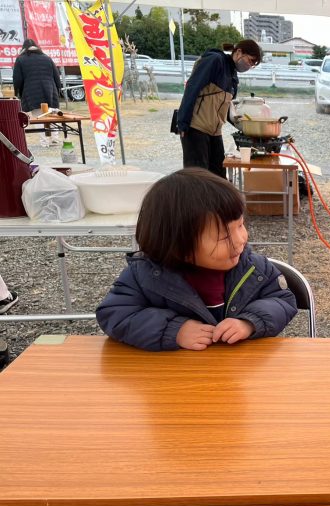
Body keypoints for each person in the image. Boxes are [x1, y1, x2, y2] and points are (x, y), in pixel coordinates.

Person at [96, 168, 297, 352]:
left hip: (240, 373)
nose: (240, 240)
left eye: (240, 225)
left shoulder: (254, 268)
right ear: (178, 245)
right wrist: (174, 330)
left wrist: (249, 322)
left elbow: (282, 300)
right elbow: (115, 314)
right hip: (174, 377)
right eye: (224, 237)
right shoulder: (145, 275)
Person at [176, 40, 262, 179]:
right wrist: (183, 123)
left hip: (214, 131)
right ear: (238, 52)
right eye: (250, 61)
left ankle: (216, 201)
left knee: (219, 176)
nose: (249, 66)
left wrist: (246, 127)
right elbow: (192, 87)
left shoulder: (233, 75)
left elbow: (226, 106)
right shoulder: (215, 60)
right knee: (197, 178)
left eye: (253, 65)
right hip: (196, 128)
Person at [12, 39, 62, 147]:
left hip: (32, 93)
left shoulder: (20, 59)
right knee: (52, 114)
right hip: (50, 91)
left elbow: (17, 79)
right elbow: (56, 76)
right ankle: (55, 139)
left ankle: (44, 142)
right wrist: (58, 89)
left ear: (24, 48)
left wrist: (17, 92)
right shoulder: (46, 58)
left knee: (39, 117)